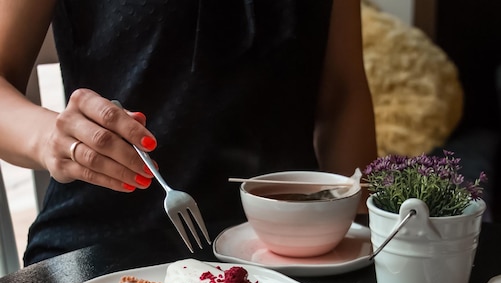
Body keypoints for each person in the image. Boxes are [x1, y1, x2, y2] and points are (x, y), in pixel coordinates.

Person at [0, 0, 377, 265]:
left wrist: (364, 238)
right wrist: (50, 138)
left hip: (285, 248)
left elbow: (342, 96)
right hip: (100, 246)